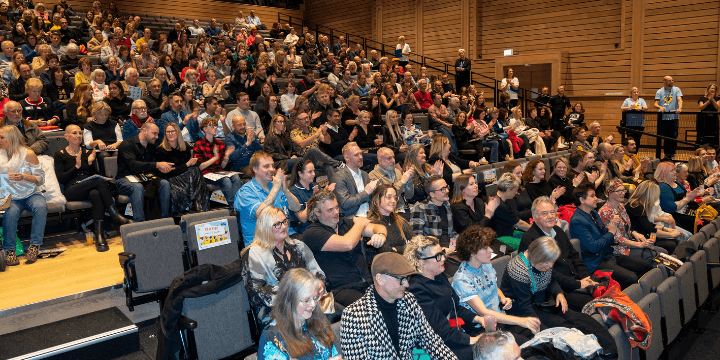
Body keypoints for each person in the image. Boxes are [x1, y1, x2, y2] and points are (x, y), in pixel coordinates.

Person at [499, 236, 618, 356]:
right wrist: (540, 330)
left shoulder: (541, 261)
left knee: (578, 318)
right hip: (520, 311)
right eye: (548, 263)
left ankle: (607, 350)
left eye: (552, 262)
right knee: (559, 330)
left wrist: (559, 293)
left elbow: (550, 280)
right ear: (536, 257)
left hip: (539, 303)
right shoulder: (518, 270)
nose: (550, 266)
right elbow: (525, 307)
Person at [340, 250, 458, 359]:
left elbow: (431, 342)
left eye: (407, 278)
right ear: (381, 279)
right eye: (401, 279)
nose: (406, 284)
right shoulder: (353, 316)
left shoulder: (409, 300)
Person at [405, 235, 495, 359]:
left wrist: (478, 319)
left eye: (442, 253)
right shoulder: (416, 289)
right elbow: (437, 328)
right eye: (438, 256)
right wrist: (472, 340)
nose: (443, 258)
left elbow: (455, 307)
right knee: (488, 352)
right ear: (421, 263)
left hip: (449, 335)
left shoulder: (439, 275)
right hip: (429, 347)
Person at [453, 226, 539, 342]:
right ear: (472, 252)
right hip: (484, 328)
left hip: (499, 316)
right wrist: (522, 321)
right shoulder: (462, 280)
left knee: (534, 333)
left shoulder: (485, 264)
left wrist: (503, 297)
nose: (491, 250)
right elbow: (484, 312)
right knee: (526, 339)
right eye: (485, 247)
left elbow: (492, 286)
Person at [303, 189, 388, 306]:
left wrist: (380, 235)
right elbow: (347, 244)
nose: (335, 212)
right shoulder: (312, 233)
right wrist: (359, 223)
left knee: (395, 299)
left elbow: (377, 227)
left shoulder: (346, 224)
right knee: (372, 307)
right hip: (338, 290)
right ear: (317, 212)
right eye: (330, 210)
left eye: (336, 207)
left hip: (366, 282)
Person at [55, 125, 132, 251]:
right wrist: (77, 167)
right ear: (66, 136)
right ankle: (116, 216)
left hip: (90, 186)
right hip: (72, 189)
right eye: (74, 133)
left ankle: (100, 236)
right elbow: (61, 179)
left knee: (96, 193)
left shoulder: (88, 152)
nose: (78, 135)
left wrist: (90, 164)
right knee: (98, 183)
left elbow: (94, 176)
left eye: (80, 133)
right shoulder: (59, 154)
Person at [569, 183, 654, 288]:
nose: (596, 198)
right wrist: (611, 232)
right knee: (631, 277)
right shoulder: (577, 221)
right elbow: (593, 247)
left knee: (647, 266)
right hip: (595, 262)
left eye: (595, 195)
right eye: (592, 196)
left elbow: (606, 237)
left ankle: (646, 294)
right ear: (582, 200)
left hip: (608, 254)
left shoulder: (593, 214)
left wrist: (612, 231)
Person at [518, 197, 596, 310]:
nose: (550, 216)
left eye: (552, 212)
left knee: (605, 293)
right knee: (594, 304)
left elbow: (574, 256)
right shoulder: (531, 240)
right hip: (557, 289)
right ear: (535, 217)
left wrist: (585, 276)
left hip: (575, 281)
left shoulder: (558, 231)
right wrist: (577, 284)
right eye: (544, 213)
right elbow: (547, 273)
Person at [257, 267, 339, 360]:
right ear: (289, 301)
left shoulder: (317, 323)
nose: (313, 304)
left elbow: (333, 354)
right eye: (306, 300)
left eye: (315, 298)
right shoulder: (272, 337)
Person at [0, 125, 47, 265]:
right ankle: (9, 251)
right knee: (10, 213)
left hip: (31, 193)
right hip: (9, 196)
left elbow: (40, 178)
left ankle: (35, 246)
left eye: (2, 137)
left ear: (11, 138)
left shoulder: (28, 153)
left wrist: (24, 177)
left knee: (40, 207)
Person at [237, 151, 302, 246]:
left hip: (285, 236)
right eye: (266, 166)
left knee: (310, 244)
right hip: (261, 243)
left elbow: (296, 208)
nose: (272, 169)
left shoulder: (275, 187)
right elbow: (262, 214)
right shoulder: (245, 191)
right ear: (255, 169)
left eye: (272, 166)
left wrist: (285, 190)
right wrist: (276, 188)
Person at [115, 122, 172, 222]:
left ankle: (165, 220)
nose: (157, 137)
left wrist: (160, 168)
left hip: (144, 177)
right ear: (144, 131)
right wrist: (157, 165)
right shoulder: (127, 144)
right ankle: (140, 223)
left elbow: (152, 164)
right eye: (154, 133)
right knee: (137, 187)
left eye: (157, 134)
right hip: (124, 179)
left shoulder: (151, 147)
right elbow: (133, 164)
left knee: (164, 183)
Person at [156, 122, 209, 214]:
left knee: (195, 169)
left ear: (178, 133)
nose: (170, 134)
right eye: (168, 132)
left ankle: (198, 204)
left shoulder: (185, 146)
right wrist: (187, 165)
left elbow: (187, 167)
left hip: (186, 177)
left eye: (173, 131)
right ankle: (198, 203)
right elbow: (168, 172)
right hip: (171, 179)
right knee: (193, 171)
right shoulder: (162, 150)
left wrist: (193, 162)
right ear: (165, 134)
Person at [193, 116, 242, 210]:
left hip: (218, 172)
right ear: (204, 129)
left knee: (236, 177)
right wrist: (215, 157)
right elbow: (200, 167)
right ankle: (233, 206)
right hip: (206, 173)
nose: (215, 127)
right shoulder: (198, 145)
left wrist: (226, 156)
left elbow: (222, 166)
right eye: (211, 126)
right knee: (226, 180)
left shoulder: (220, 144)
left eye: (215, 126)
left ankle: (238, 202)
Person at [365, 183, 414, 263]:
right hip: (383, 267)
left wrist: (396, 249)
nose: (393, 201)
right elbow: (386, 252)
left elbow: (415, 244)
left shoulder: (401, 220)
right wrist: (405, 248)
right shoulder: (370, 224)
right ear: (377, 201)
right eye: (388, 197)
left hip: (404, 264)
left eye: (395, 198)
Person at [410, 175, 457, 248]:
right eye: (442, 189)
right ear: (432, 194)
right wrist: (440, 249)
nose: (447, 191)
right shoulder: (420, 208)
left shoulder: (448, 206)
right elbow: (417, 238)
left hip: (450, 246)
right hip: (433, 250)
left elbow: (451, 232)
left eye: (447, 187)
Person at [333, 142, 378, 217]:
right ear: (346, 158)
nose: (360, 157)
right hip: (353, 217)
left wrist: (373, 190)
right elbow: (345, 203)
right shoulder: (339, 176)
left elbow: (370, 200)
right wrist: (366, 192)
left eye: (361, 154)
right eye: (356, 155)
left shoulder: (365, 174)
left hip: (369, 214)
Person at [655, 161, 700, 233]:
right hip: (675, 217)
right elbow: (671, 208)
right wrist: (687, 199)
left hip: (688, 211)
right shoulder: (663, 186)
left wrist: (692, 196)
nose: (675, 172)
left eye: (675, 170)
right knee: (705, 224)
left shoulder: (676, 183)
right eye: (671, 171)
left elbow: (685, 197)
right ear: (664, 173)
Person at [491, 173, 531, 249]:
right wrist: (536, 230)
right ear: (508, 190)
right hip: (501, 238)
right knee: (529, 244)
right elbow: (519, 224)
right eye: (515, 190)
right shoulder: (500, 205)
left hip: (509, 232)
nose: (516, 193)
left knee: (531, 237)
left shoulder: (497, 196)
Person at [369, 147, 414, 214]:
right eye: (389, 158)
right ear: (380, 161)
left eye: (393, 157)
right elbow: (385, 199)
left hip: (404, 208)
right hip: (389, 212)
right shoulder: (373, 176)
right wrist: (402, 182)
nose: (393, 160)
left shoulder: (397, 172)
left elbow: (409, 196)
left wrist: (409, 181)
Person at [654, 76, 683, 160]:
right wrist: (660, 107)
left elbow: (680, 100)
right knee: (665, 136)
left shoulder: (677, 89)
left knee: (673, 136)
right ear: (664, 81)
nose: (671, 81)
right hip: (663, 118)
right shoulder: (659, 91)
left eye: (672, 80)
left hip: (674, 117)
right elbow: (655, 104)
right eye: (669, 80)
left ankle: (672, 154)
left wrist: (680, 108)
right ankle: (666, 154)